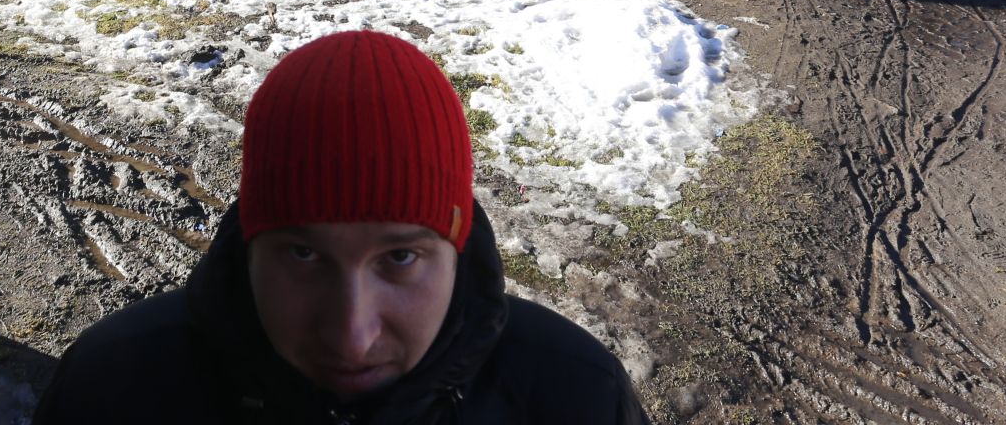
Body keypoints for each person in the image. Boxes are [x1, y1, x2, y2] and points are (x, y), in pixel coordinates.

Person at [32, 29, 648, 423]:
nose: (352, 338)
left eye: (400, 258)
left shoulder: (574, 398)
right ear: (251, 247)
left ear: (456, 247)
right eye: (303, 254)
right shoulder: (113, 391)